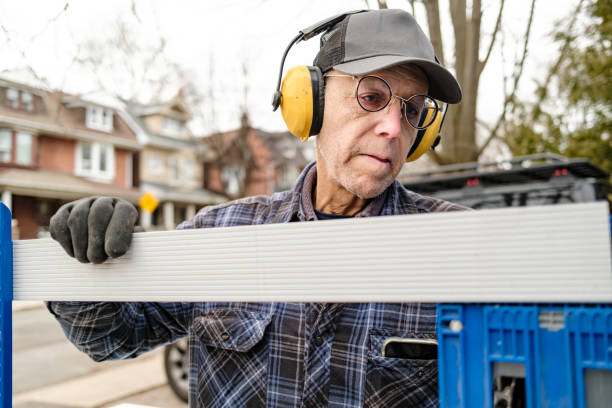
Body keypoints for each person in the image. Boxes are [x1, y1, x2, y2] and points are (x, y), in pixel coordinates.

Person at [47, 9, 465, 408]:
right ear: (310, 102)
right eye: (372, 96)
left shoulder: (458, 245)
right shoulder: (221, 235)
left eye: (412, 110)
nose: (394, 128)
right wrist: (85, 260)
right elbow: (107, 338)